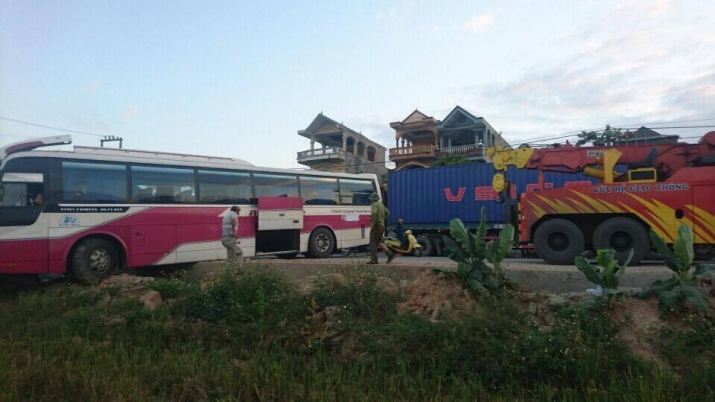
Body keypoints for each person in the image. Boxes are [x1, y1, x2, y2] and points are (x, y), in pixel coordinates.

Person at [368, 192, 395, 264]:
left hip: (376, 225)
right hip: (382, 225)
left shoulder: (374, 205)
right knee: (379, 241)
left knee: (373, 242)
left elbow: (374, 213)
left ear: (372, 199)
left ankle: (374, 259)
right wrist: (383, 219)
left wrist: (372, 222)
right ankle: (390, 254)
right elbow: (388, 212)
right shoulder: (381, 204)